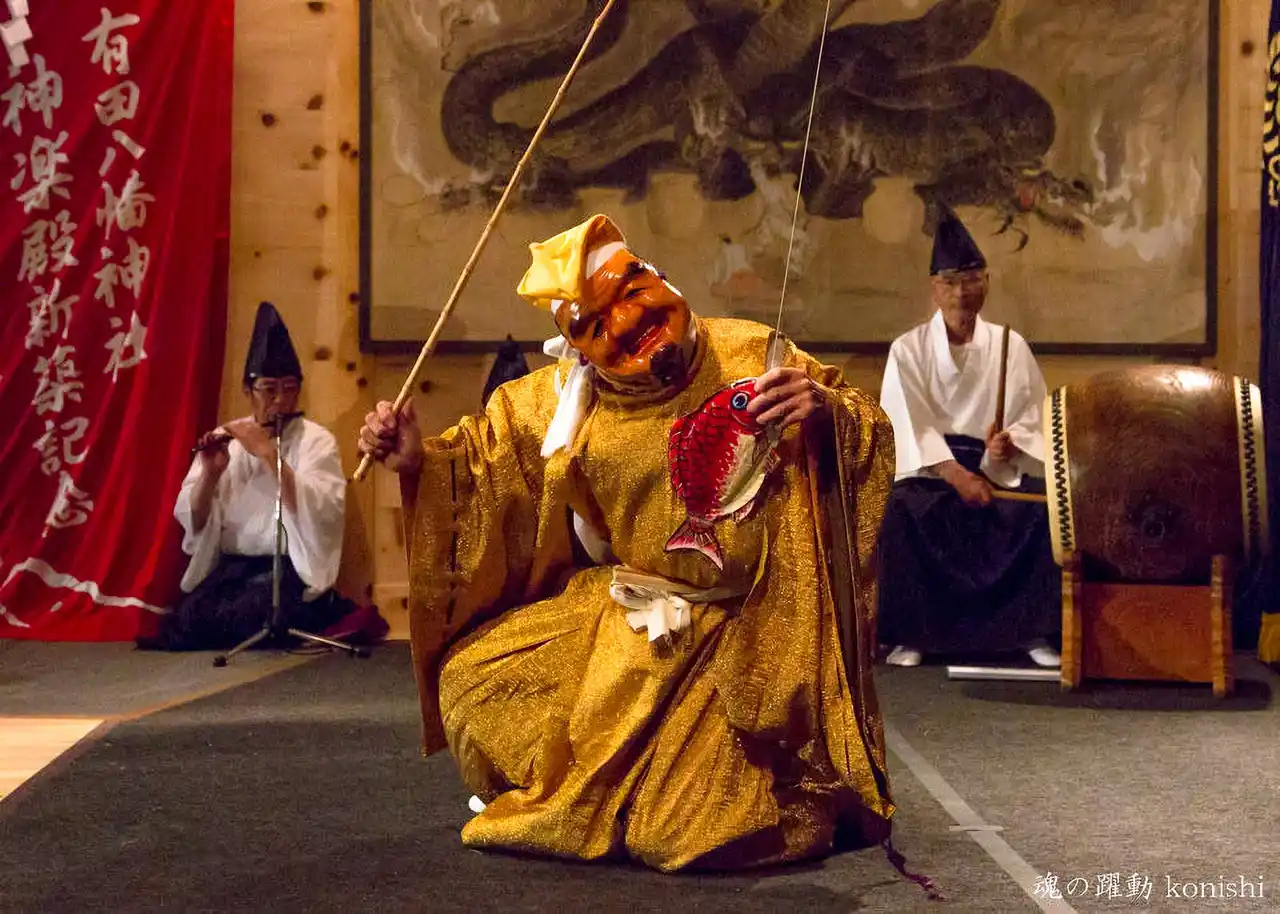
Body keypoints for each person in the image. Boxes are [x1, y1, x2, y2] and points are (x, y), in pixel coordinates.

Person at [358, 214, 909, 875]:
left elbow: (863, 426)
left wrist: (825, 413)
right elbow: (484, 462)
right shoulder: (568, 402)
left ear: (658, 277)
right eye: (593, 325)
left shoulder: (753, 351)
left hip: (751, 628)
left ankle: (661, 786)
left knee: (687, 830)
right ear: (576, 349)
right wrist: (416, 460)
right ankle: (609, 787)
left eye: (630, 292)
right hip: (635, 612)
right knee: (472, 683)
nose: (623, 324)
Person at [876, 209, 1061, 668]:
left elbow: (1031, 415)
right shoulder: (908, 350)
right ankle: (916, 634)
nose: (961, 293)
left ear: (987, 283)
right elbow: (909, 424)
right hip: (934, 470)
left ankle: (1028, 632)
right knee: (902, 510)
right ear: (934, 289)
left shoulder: (1010, 345)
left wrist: (1007, 447)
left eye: (972, 280)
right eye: (951, 282)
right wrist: (958, 476)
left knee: (1041, 512)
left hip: (996, 468)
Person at [140, 303, 374, 651]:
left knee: (259, 615)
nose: (280, 400)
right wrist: (210, 474)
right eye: (269, 389)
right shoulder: (228, 437)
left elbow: (321, 511)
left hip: (288, 571)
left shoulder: (316, 440)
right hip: (234, 569)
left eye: (289, 388)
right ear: (248, 391)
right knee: (188, 620)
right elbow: (196, 522)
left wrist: (267, 454)